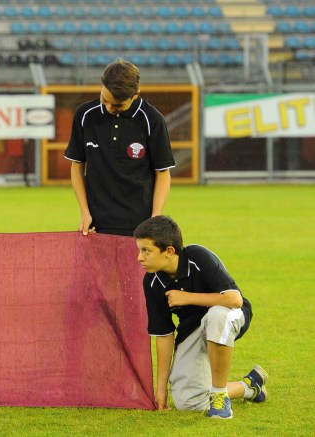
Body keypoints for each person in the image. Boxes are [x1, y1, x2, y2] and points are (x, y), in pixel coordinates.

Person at [133, 215, 267, 419]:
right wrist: (161, 389)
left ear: (169, 251)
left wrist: (187, 297)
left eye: (146, 250)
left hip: (230, 315)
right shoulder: (151, 282)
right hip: (193, 328)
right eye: (139, 250)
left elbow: (234, 299)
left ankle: (219, 398)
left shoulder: (197, 256)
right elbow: (164, 335)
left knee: (216, 316)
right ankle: (249, 386)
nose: (139, 258)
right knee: (187, 402)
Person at [64, 59, 175, 236]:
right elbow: (77, 166)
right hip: (96, 225)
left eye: (117, 105)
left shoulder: (152, 120)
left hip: (139, 224)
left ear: (135, 94)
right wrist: (84, 212)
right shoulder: (84, 115)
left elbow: (162, 173)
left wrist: (155, 216)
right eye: (104, 99)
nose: (108, 107)